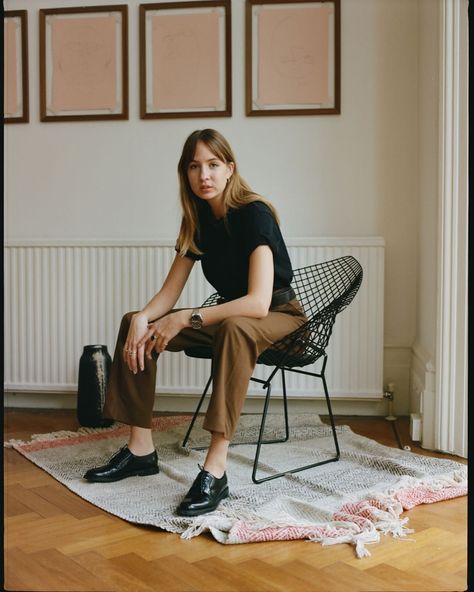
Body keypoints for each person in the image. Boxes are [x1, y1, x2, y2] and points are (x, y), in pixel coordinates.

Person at [84, 129, 307, 517]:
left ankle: (215, 468)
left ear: (230, 169)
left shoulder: (255, 214)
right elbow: (169, 293)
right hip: (234, 319)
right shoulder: (198, 220)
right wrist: (143, 317)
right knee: (134, 322)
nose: (204, 174)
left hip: (281, 320)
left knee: (236, 327)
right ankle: (140, 449)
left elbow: (257, 303)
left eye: (213, 164)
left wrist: (187, 317)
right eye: (194, 166)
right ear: (185, 173)